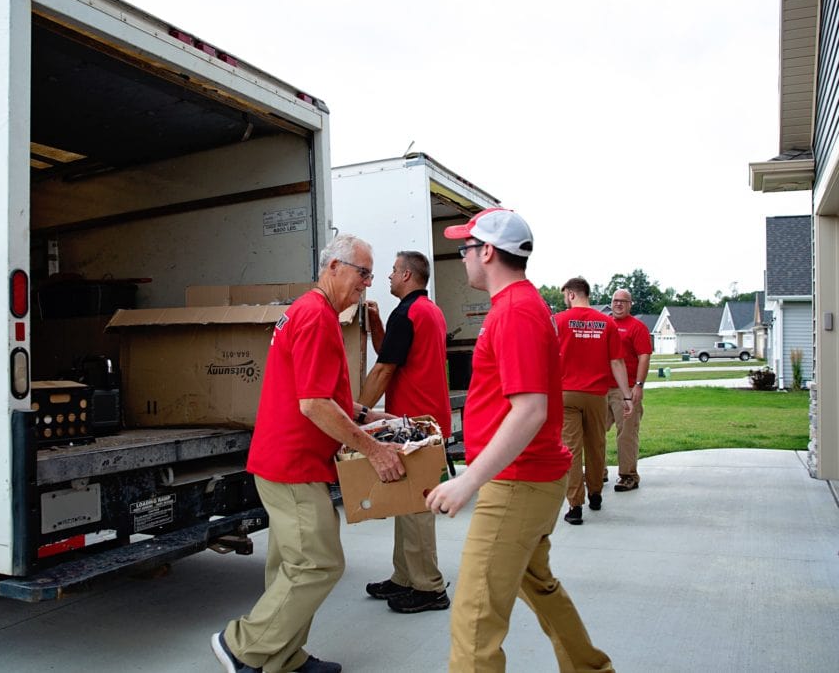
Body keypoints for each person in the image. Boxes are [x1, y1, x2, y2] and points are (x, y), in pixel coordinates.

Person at [425, 207, 614, 673]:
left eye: (465, 248)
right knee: (539, 586)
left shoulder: (515, 311)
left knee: (474, 619)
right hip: (526, 480)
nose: (463, 256)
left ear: (487, 251)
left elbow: (530, 410)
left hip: (517, 484)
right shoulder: (518, 307)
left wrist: (466, 483)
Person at [212, 234, 406, 673]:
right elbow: (313, 404)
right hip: (293, 465)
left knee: (290, 566)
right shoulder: (317, 317)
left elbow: (316, 392)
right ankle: (243, 645)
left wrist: (367, 414)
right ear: (333, 267)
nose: (368, 283)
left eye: (372, 274)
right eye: (363, 272)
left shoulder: (309, 312)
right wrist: (373, 449)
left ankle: (283, 659)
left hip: (285, 461)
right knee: (320, 563)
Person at [358, 251, 453, 614]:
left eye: (394, 271)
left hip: (413, 424)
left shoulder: (408, 314)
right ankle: (404, 577)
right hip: (426, 418)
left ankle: (429, 588)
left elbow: (383, 370)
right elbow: (394, 352)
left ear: (408, 275)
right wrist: (379, 323)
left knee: (416, 507)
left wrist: (357, 414)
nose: (389, 277)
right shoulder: (428, 311)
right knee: (406, 502)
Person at [556, 278, 632, 525]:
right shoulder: (607, 323)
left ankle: (575, 507)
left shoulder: (558, 322)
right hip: (597, 394)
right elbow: (617, 362)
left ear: (570, 294)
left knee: (571, 449)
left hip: (566, 393)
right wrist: (627, 395)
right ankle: (596, 493)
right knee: (596, 444)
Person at [606, 289, 652, 492]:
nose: (618, 304)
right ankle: (597, 471)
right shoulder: (604, 324)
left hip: (625, 390)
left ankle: (628, 475)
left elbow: (644, 356)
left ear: (630, 304)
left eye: (623, 301)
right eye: (615, 300)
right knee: (595, 433)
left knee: (626, 434)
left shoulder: (637, 327)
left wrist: (638, 386)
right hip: (600, 388)